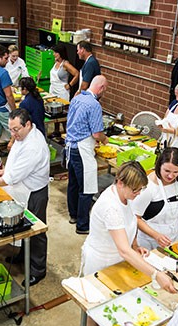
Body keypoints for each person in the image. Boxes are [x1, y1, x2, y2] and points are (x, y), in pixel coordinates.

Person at [81, 161, 176, 326]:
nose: (138, 193)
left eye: (141, 189)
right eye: (136, 189)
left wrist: (135, 245)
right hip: (100, 260)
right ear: (120, 182)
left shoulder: (126, 195)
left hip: (116, 257)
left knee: (112, 301)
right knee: (95, 304)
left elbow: (130, 221)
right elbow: (123, 249)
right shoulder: (110, 206)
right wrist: (155, 274)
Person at [0, 109, 49, 286]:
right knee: (23, 227)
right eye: (11, 130)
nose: (13, 134)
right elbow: (15, 165)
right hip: (23, 186)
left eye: (16, 129)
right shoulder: (23, 136)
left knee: (36, 231)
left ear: (28, 124)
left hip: (34, 193)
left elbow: (12, 178)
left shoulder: (33, 146)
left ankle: (38, 270)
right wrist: (5, 170)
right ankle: (23, 256)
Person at [65, 75, 109, 235]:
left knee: (74, 184)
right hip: (82, 149)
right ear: (102, 88)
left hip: (70, 145)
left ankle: (73, 215)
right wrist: (105, 139)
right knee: (87, 188)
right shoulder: (94, 105)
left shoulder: (77, 97)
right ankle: (82, 225)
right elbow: (97, 133)